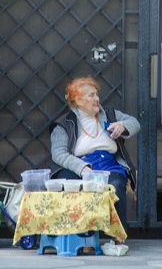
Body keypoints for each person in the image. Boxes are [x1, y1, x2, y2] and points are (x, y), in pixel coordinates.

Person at [50, 77, 140, 256]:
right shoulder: (64, 123)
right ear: (78, 100)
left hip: (110, 165)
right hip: (83, 165)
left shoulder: (109, 114)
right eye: (91, 95)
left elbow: (135, 122)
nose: (96, 99)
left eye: (96, 94)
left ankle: (118, 237)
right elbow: (58, 153)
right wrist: (82, 168)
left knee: (115, 185)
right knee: (79, 189)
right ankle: (87, 237)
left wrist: (122, 125)